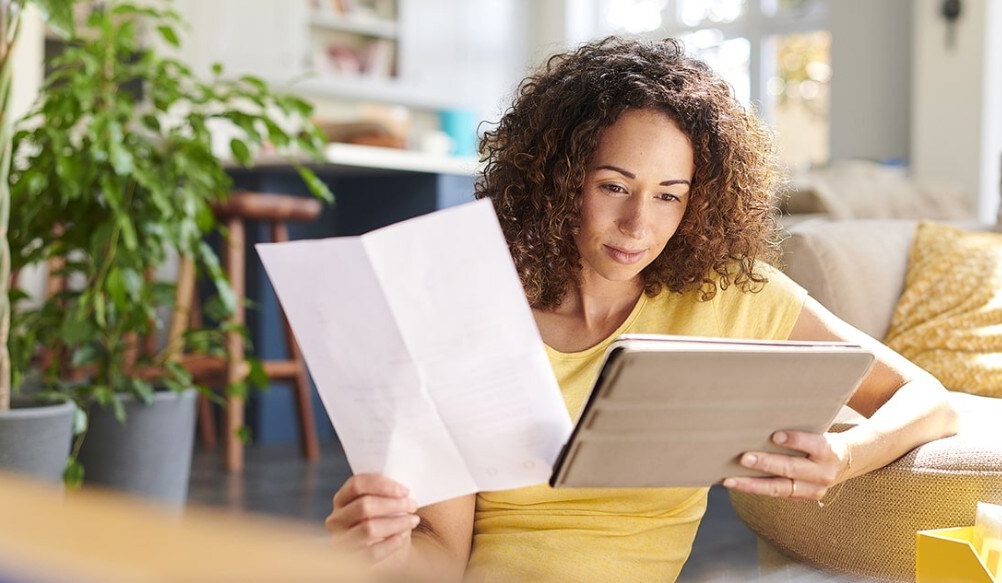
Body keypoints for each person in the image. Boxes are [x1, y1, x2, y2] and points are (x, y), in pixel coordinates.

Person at [325, 36, 958, 581]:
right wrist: (383, 551)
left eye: (668, 197)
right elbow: (443, 560)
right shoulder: (469, 313)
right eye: (613, 187)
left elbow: (927, 399)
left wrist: (845, 458)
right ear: (556, 177)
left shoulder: (729, 297)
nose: (637, 225)